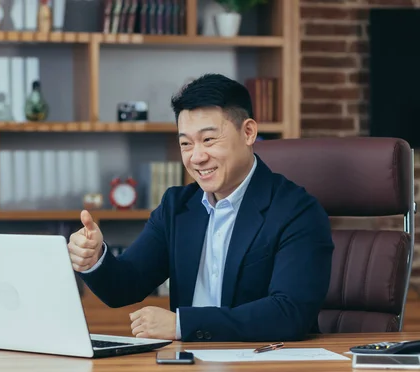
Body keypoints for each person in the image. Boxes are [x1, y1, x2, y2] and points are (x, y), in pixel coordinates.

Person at [67, 73, 334, 342]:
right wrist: (94, 259)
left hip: (262, 367)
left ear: (249, 132)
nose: (197, 157)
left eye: (208, 140)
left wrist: (183, 325)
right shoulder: (177, 207)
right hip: (187, 368)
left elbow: (290, 313)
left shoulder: (297, 211)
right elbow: (124, 286)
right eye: (186, 143)